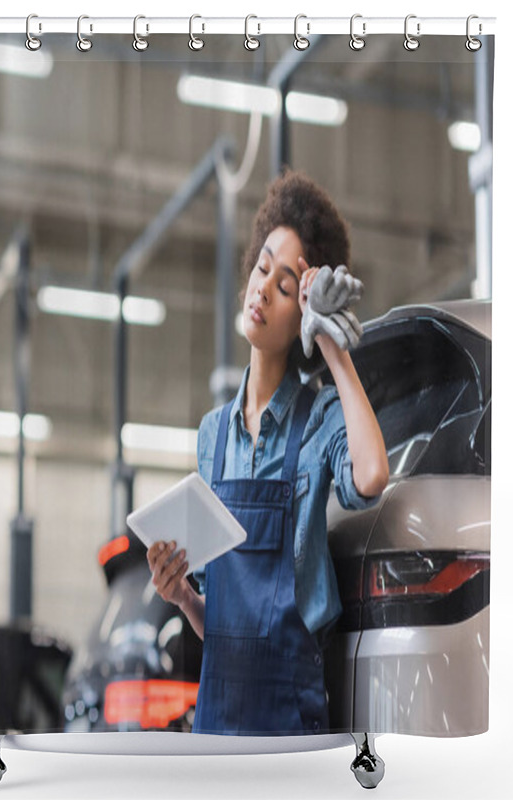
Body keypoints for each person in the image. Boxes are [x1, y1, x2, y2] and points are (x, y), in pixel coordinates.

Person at [147, 169, 389, 736]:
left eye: (285, 287)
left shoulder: (319, 418)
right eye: (263, 268)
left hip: (290, 715)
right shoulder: (212, 436)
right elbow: (222, 624)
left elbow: (373, 475)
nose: (262, 289)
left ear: (301, 312)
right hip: (217, 714)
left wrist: (332, 346)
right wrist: (181, 595)